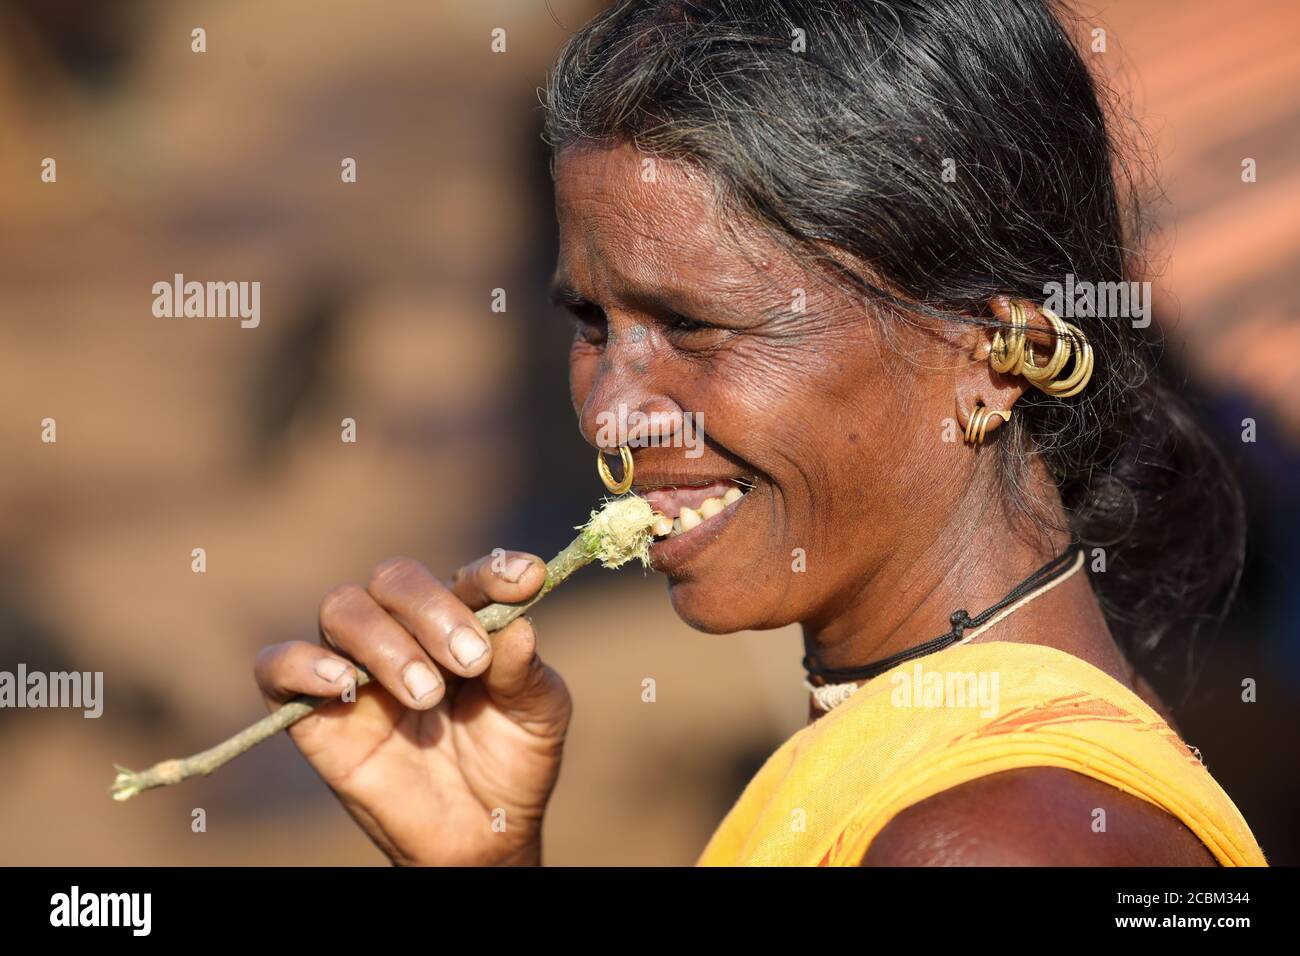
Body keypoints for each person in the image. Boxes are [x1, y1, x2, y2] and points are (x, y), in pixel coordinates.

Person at [253, 0, 1266, 866]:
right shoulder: (932, 775)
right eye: (591, 325)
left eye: (692, 324)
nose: (611, 414)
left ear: (989, 359)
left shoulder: (991, 838)